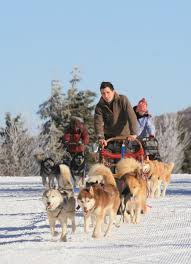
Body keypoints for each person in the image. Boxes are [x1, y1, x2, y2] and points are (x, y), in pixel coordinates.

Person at [94, 81, 138, 147]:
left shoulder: (123, 100)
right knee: (105, 155)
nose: (106, 95)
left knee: (126, 156)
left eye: (108, 92)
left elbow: (131, 116)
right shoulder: (99, 106)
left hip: (124, 138)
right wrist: (101, 138)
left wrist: (133, 133)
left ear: (113, 91)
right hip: (109, 139)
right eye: (103, 93)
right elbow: (98, 123)